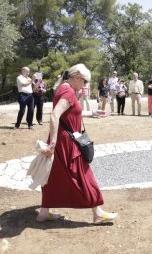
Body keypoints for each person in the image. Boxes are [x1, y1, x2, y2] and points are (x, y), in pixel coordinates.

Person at [38, 63, 117, 224]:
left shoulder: (63, 88)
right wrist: (53, 143)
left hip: (62, 139)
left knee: (52, 176)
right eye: (85, 82)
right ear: (77, 77)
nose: (85, 85)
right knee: (84, 174)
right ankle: (97, 212)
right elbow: (55, 115)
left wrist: (92, 112)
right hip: (65, 142)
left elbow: (72, 112)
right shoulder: (67, 91)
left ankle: (44, 213)